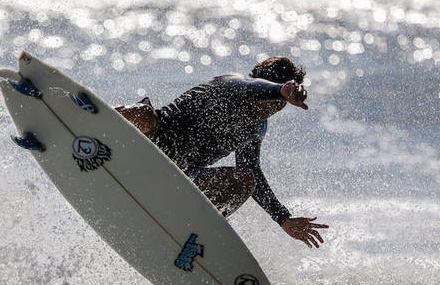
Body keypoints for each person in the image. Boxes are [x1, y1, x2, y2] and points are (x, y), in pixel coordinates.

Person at [115, 56, 328, 248]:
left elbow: (249, 168)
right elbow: (252, 87)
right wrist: (280, 90)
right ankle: (89, 122)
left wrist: (284, 219)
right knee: (144, 113)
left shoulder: (255, 128)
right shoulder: (231, 84)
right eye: (272, 98)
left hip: (181, 177)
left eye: (280, 103)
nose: (272, 107)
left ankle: (184, 231)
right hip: (149, 143)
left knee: (245, 179)